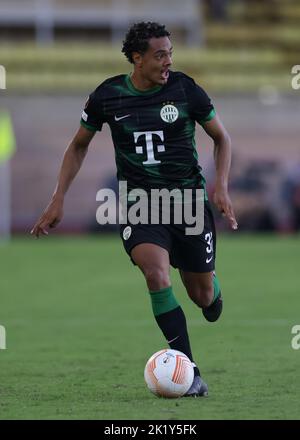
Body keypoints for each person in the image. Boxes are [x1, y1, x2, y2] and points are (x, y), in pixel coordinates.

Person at [31, 22, 237, 397]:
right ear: (137, 58)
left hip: (189, 202)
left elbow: (221, 138)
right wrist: (58, 196)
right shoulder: (107, 96)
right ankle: (189, 371)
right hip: (141, 205)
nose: (168, 62)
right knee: (156, 275)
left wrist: (219, 186)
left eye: (170, 53)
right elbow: (78, 145)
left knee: (202, 296)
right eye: (160, 55)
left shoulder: (185, 89)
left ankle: (213, 289)